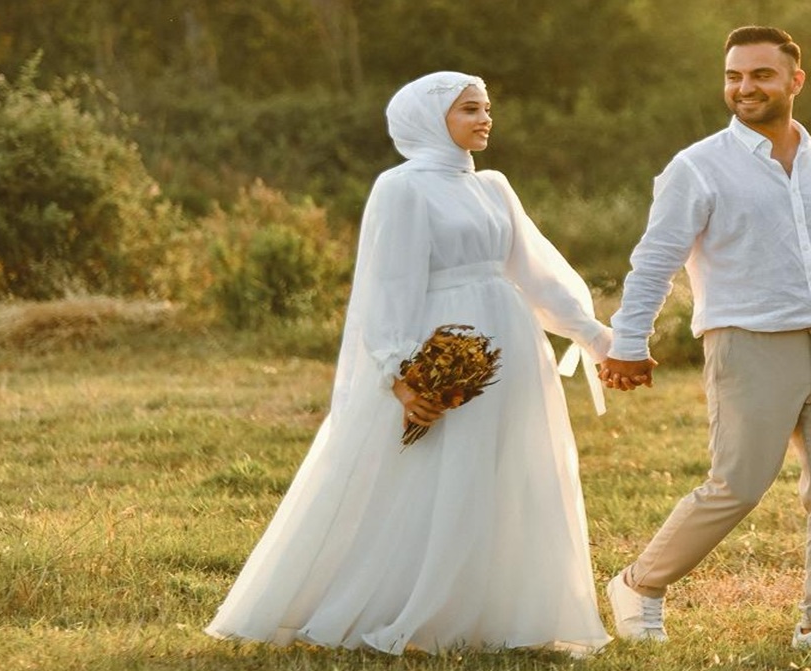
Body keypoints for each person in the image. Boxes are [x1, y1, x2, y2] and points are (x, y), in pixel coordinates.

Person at [204, 71, 613, 656]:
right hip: (444, 344)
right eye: (469, 109)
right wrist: (400, 373)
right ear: (429, 119)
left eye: (486, 107)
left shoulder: (493, 187)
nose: (485, 118)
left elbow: (533, 270)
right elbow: (388, 284)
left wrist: (593, 335)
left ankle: (498, 615)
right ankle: (409, 610)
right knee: (437, 473)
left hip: (511, 345)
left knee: (505, 469)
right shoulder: (402, 188)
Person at [598, 26, 811, 656]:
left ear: (795, 81)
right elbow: (655, 261)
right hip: (748, 346)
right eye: (734, 76)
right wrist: (628, 341)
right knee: (737, 485)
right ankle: (639, 584)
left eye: (761, 75)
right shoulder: (697, 167)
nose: (744, 87)